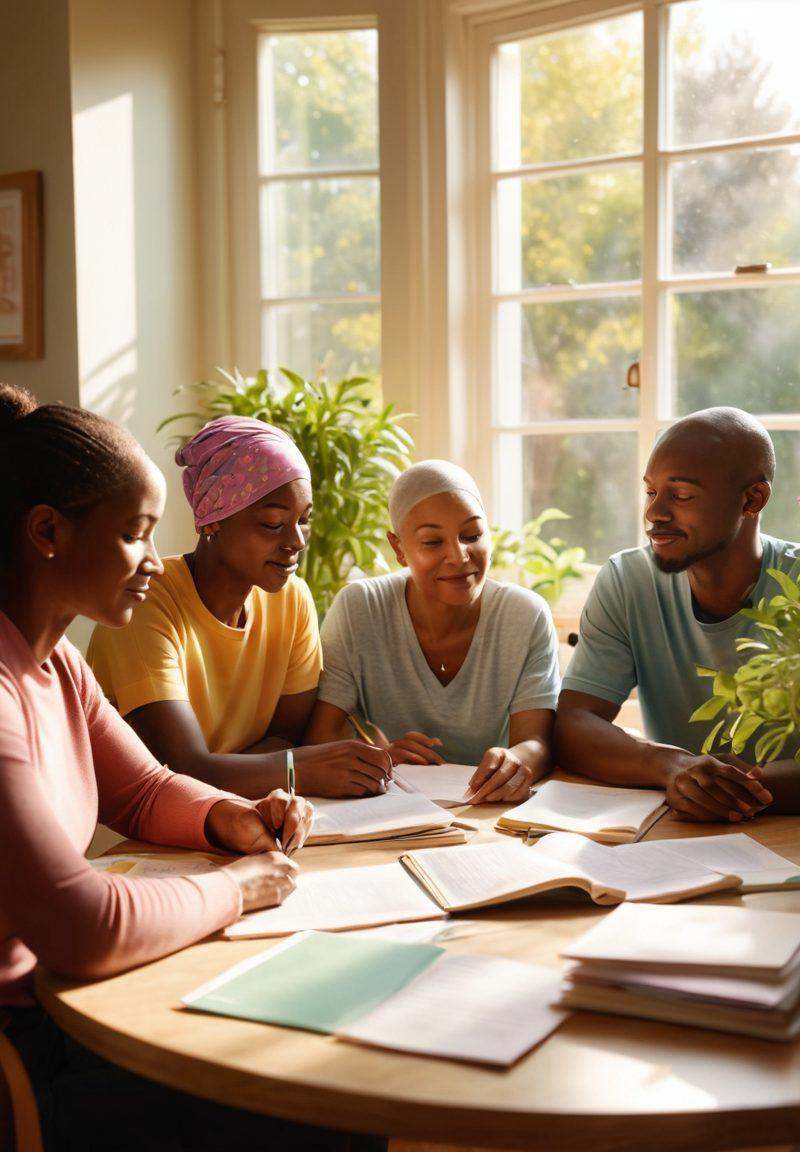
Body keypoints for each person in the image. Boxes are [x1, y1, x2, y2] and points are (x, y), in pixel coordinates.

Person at [0, 384, 384, 1151]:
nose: (152, 560)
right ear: (48, 531)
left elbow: (142, 789)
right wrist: (234, 886)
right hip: (19, 1063)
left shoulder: (59, 669)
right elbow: (85, 925)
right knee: (333, 1111)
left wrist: (225, 816)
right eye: (136, 535)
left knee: (333, 1067)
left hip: (61, 1004)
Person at [88, 416, 392, 800]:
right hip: (143, 844)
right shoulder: (145, 603)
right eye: (272, 523)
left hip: (247, 817)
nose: (296, 540)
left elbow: (287, 736)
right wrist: (298, 768)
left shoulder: (292, 599)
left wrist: (242, 773)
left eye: (304, 520)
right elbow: (183, 768)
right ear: (211, 521)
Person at [555, 406, 800, 821]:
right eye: (651, 492)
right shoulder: (627, 580)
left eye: (681, 496)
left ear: (753, 499)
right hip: (680, 834)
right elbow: (574, 724)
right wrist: (673, 767)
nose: (654, 514)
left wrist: (738, 791)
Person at [305, 460, 560, 803]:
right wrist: (383, 757)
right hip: (391, 808)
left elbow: (538, 743)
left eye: (472, 535)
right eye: (432, 541)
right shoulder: (359, 608)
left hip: (487, 809)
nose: (458, 556)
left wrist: (517, 761)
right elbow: (320, 742)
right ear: (398, 549)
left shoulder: (526, 615)